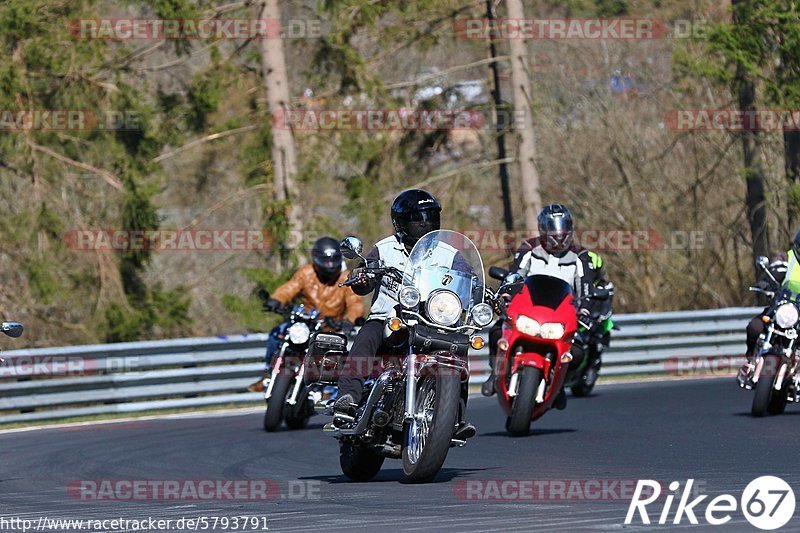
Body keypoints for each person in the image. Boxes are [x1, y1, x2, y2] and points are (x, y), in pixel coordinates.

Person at [333, 189, 476, 440]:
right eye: (417, 217)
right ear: (400, 222)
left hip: (432, 321)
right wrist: (361, 277)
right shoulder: (384, 248)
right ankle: (349, 397)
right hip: (389, 317)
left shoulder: (449, 253)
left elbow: (470, 282)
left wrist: (488, 295)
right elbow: (363, 276)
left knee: (459, 347)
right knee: (367, 336)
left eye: (430, 216)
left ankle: (454, 416)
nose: (425, 222)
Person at [481, 204, 601, 406]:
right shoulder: (528, 249)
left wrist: (586, 311)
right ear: (543, 229)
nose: (558, 235)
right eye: (553, 230)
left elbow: (586, 288)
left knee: (578, 351)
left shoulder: (581, 256)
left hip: (562, 315)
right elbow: (515, 275)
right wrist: (505, 295)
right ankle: (495, 374)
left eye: (562, 229)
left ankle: (558, 385)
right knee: (496, 332)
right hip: (528, 309)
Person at [247, 237, 365, 392]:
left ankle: (330, 393)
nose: (329, 265)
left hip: (330, 327)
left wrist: (349, 321)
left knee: (339, 357)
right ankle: (269, 374)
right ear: (316, 259)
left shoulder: (345, 278)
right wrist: (276, 300)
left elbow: (355, 303)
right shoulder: (307, 273)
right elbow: (289, 288)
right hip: (305, 322)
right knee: (277, 334)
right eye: (325, 260)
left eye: (333, 260)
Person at [738, 246, 791, 387]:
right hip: (779, 312)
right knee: (754, 327)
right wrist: (766, 286)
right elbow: (771, 276)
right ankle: (750, 361)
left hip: (797, 317)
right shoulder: (784, 264)